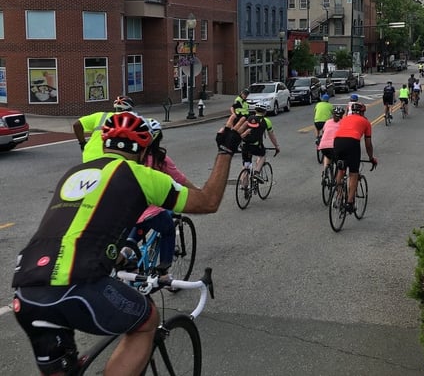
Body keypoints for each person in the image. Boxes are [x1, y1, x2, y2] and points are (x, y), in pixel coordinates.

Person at [12, 111, 247, 375]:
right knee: (148, 320)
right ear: (143, 149)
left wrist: (113, 255)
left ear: (103, 143)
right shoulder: (140, 175)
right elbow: (208, 201)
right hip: (77, 285)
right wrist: (226, 148)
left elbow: (77, 227)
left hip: (26, 289)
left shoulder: (74, 173)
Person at [127, 118, 199, 273]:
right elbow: (180, 179)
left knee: (135, 233)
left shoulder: (131, 158)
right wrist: (198, 192)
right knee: (167, 229)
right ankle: (164, 270)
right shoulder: (161, 159)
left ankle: (126, 254)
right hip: (152, 210)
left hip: (131, 208)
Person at [333, 102, 377, 213]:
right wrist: (371, 158)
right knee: (353, 173)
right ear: (362, 112)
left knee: (341, 169)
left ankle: (338, 196)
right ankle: (349, 202)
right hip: (352, 143)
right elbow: (368, 144)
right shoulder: (366, 122)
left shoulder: (344, 119)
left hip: (337, 142)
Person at [73, 95, 135, 162]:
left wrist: (82, 143)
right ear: (130, 109)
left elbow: (77, 124)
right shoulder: (133, 121)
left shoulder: (101, 115)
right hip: (113, 159)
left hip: (89, 156)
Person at [240, 104, 280, 185]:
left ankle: (244, 186)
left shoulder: (249, 119)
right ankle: (257, 173)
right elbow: (271, 136)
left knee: (246, 164)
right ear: (264, 112)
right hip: (256, 146)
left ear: (255, 111)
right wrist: (276, 146)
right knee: (262, 155)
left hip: (245, 145)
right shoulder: (266, 121)